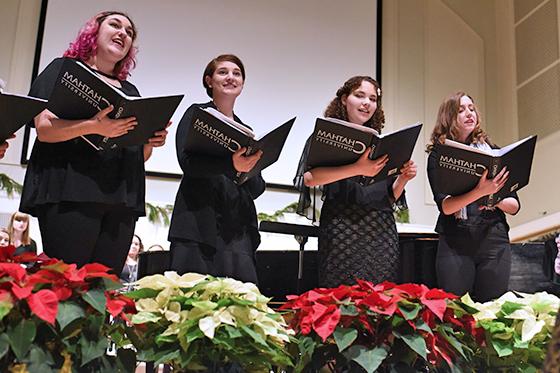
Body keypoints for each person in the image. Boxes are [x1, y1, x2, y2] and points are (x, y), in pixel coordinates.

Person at [20, 11, 168, 274]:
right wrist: (94, 127)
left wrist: (150, 142)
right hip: (70, 192)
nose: (123, 33)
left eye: (129, 32)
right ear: (93, 32)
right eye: (115, 25)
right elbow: (43, 129)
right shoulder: (64, 69)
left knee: (104, 288)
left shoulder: (131, 93)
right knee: (68, 286)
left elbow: (138, 157)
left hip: (120, 200)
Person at [294, 76, 417, 287]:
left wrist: (404, 178)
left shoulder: (382, 143)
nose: (366, 103)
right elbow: (309, 179)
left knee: (379, 304)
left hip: (381, 232)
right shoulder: (326, 136)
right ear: (344, 99)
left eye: (372, 98)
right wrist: (357, 168)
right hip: (342, 228)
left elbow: (389, 198)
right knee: (341, 300)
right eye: (359, 96)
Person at [168, 54, 264, 284]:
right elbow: (187, 163)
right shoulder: (197, 113)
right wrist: (231, 164)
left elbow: (257, 188)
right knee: (191, 303)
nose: (231, 77)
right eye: (223, 72)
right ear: (209, 81)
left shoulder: (246, 130)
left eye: (237, 73)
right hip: (197, 223)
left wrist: (250, 168)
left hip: (237, 229)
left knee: (241, 306)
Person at [426, 92, 520, 302]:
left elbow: (514, 205)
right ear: (448, 118)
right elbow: (446, 206)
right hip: (455, 240)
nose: (469, 113)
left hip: (494, 239)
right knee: (456, 314)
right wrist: (479, 192)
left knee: (493, 311)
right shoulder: (439, 155)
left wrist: (493, 196)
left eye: (471, 108)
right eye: (460, 110)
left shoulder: (494, 152)